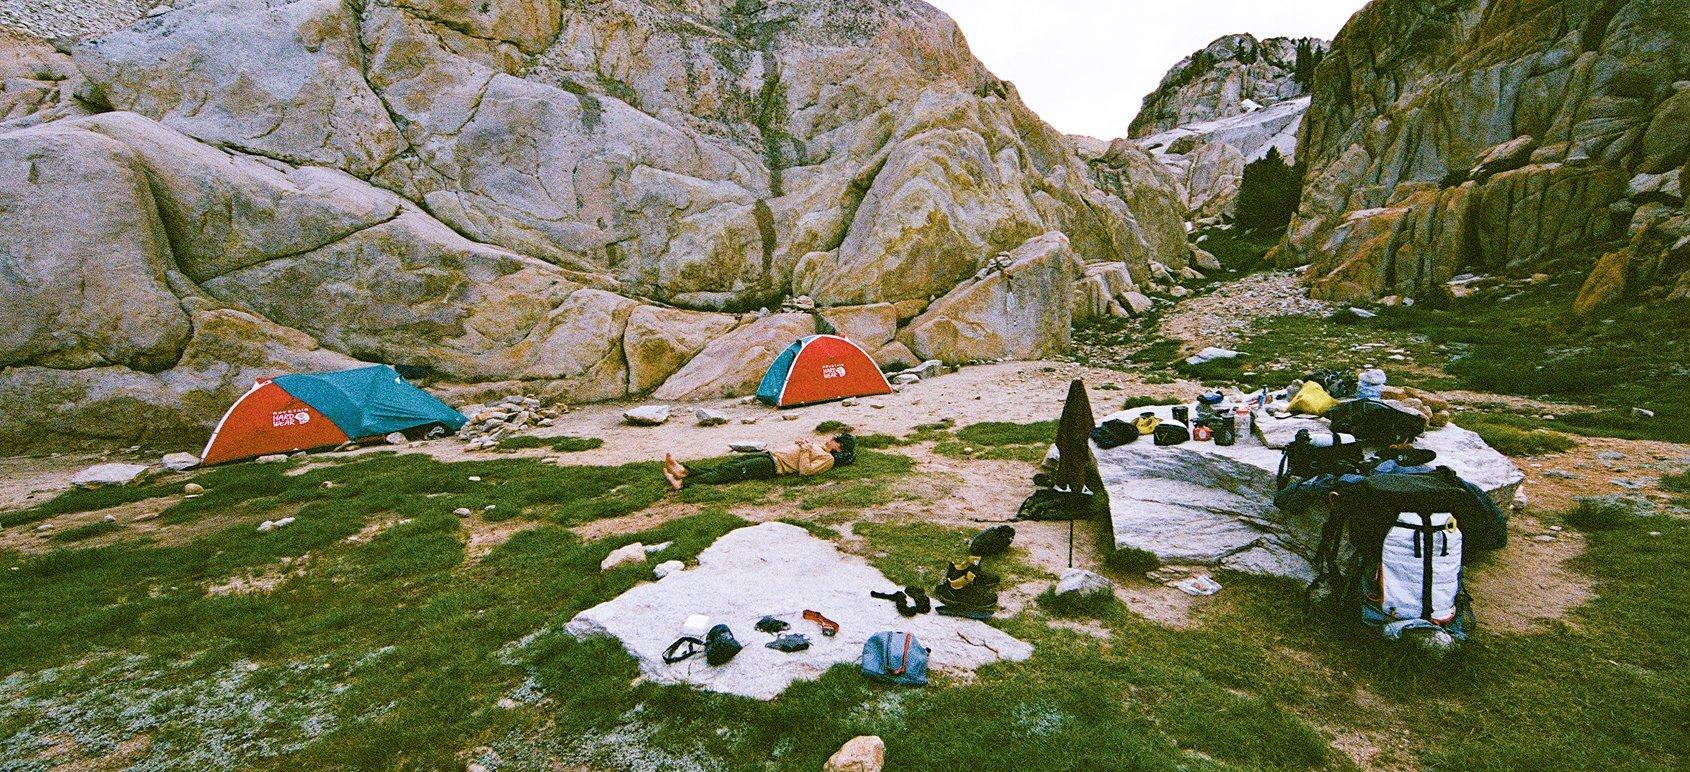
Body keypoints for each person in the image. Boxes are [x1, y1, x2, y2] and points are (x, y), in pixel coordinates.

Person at [664, 433, 855, 490]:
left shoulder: (828, 459)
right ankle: (683, 471)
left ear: (839, 447)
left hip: (772, 466)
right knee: (727, 466)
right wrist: (802, 444)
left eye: (835, 439)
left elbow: (806, 471)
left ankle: (683, 483)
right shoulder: (820, 448)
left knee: (729, 473)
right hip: (769, 456)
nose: (831, 438)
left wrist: (805, 449)